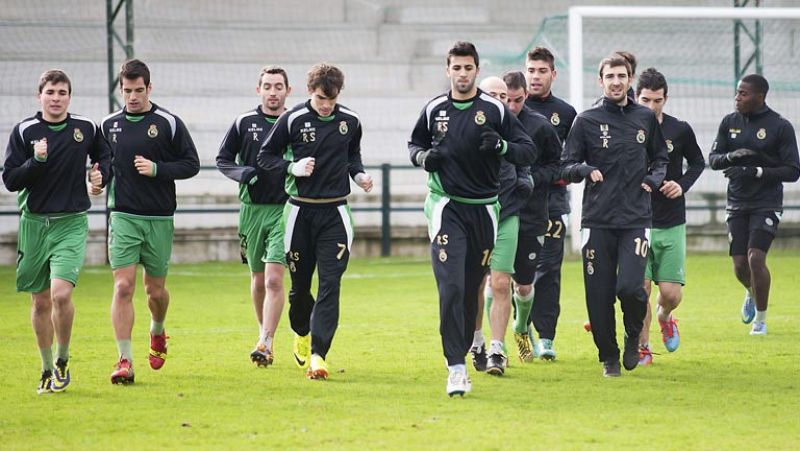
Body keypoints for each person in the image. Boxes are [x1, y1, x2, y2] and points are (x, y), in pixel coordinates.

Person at [408, 41, 535, 396]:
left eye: (468, 68)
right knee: (449, 287)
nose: (462, 74)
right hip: (447, 207)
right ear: (447, 70)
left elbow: (528, 150)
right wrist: (423, 158)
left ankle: (468, 344)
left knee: (468, 292)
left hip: (484, 210)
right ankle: (456, 367)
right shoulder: (434, 108)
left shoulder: (495, 109)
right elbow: (414, 145)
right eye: (456, 68)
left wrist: (502, 146)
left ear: (476, 70)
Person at [257, 63, 373, 381]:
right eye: (321, 98)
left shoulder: (350, 121)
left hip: (335, 213)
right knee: (300, 288)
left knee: (331, 284)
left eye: (331, 100)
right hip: (299, 213)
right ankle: (301, 333)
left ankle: (319, 356)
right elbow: (265, 157)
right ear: (310, 92)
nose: (326, 105)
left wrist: (360, 175)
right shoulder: (292, 119)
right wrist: (292, 168)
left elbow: (353, 157)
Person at [3, 69, 110, 394]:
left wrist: (99, 175)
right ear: (40, 96)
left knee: (61, 295)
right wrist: (36, 161)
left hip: (71, 223)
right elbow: (10, 180)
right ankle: (46, 368)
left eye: (62, 92)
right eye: (51, 92)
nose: (56, 98)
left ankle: (63, 360)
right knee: (39, 303)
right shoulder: (25, 131)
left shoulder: (85, 128)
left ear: (69, 97)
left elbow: (104, 156)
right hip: (35, 225)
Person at [562, 54, 668, 377]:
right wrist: (584, 169)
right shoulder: (586, 120)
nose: (616, 81)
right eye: (610, 76)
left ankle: (633, 333)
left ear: (630, 79)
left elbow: (660, 158)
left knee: (631, 288)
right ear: (601, 80)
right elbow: (565, 165)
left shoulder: (644, 118)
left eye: (622, 76)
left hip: (636, 218)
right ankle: (609, 356)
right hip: (597, 220)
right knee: (598, 294)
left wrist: (653, 180)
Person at [101, 59, 200, 384]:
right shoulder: (109, 126)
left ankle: (157, 329)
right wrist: (95, 179)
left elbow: (191, 164)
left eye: (138, 90)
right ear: (121, 89)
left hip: (158, 217)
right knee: (123, 286)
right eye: (127, 91)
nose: (132, 97)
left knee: (155, 292)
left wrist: (158, 169)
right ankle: (124, 360)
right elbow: (102, 166)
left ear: (149, 88)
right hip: (124, 215)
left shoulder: (168, 123)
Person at [709, 73, 800, 336]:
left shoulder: (780, 126)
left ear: (760, 96)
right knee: (739, 266)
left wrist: (757, 171)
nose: (737, 97)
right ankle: (751, 291)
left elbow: (793, 170)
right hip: (737, 202)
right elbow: (714, 159)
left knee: (755, 258)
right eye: (737, 92)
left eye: (743, 93)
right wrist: (731, 157)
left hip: (766, 203)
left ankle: (760, 320)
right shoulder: (729, 122)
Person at [217, 66, 291, 367]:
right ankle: (264, 334)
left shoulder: (297, 122)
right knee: (258, 278)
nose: (273, 92)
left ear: (288, 90)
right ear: (258, 89)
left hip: (286, 210)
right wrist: (243, 173)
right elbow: (222, 160)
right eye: (268, 86)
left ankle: (266, 341)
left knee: (275, 278)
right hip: (251, 211)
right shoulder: (244, 122)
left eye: (278, 86)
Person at [635, 68, 705, 365]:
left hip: (672, 221)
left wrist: (682, 184)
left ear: (666, 99)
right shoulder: (628, 130)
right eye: (646, 100)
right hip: (638, 220)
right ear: (636, 97)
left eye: (657, 101)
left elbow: (698, 163)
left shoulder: (680, 130)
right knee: (642, 289)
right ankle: (643, 348)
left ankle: (666, 317)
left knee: (670, 294)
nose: (651, 107)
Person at [470, 76, 535, 376]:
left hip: (506, 213)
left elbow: (527, 155)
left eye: (503, 95)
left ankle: (497, 348)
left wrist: (523, 183)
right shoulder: (466, 125)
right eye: (491, 94)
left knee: (500, 283)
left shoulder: (511, 126)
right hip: (473, 214)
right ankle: (477, 341)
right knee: (472, 286)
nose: (499, 100)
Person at [503, 70, 562, 362]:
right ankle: (495, 345)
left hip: (531, 214)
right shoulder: (489, 122)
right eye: (507, 100)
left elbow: (556, 166)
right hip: (498, 213)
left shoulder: (539, 127)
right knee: (497, 280)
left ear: (526, 96)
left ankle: (521, 326)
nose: (512, 107)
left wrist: (528, 177)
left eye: (517, 100)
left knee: (524, 284)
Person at [523, 47, 577, 359]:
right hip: (514, 203)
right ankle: (519, 326)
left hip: (552, 202)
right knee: (514, 271)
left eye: (542, 71)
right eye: (531, 70)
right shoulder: (510, 107)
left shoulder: (566, 113)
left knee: (549, 269)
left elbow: (571, 157)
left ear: (553, 74)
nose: (535, 76)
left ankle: (545, 337)